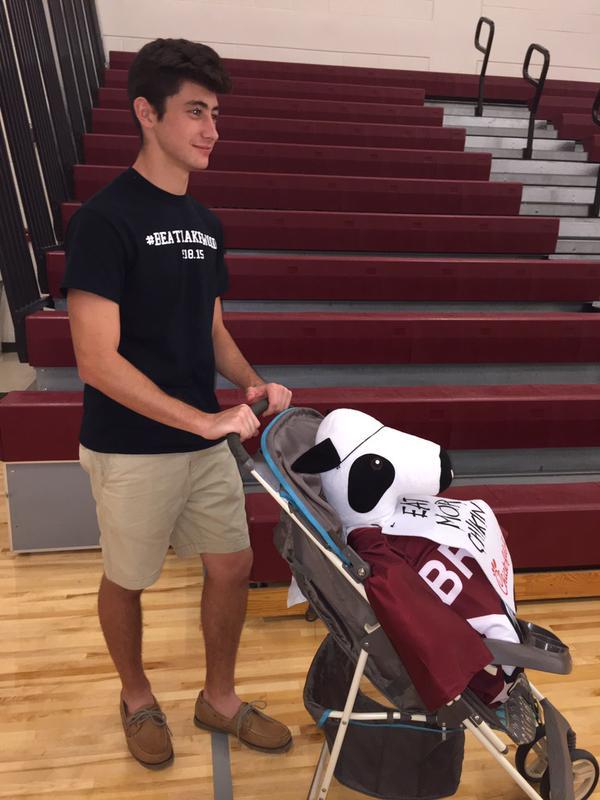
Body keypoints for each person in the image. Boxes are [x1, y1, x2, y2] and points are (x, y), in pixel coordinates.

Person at [62, 38, 293, 769]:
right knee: (127, 579)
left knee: (232, 566)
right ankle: (136, 696)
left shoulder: (206, 222)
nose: (211, 129)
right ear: (146, 113)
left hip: (203, 443)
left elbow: (213, 328)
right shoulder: (104, 220)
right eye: (195, 111)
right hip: (131, 447)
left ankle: (218, 701)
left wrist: (252, 384)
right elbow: (96, 361)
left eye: (215, 114)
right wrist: (203, 419)